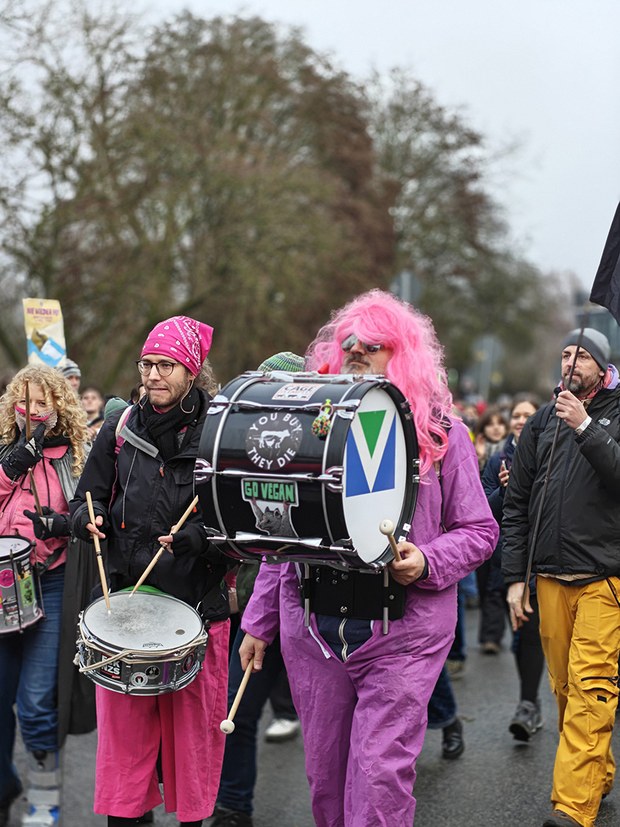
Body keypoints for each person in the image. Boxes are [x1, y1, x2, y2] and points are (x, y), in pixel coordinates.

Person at [238, 290, 498, 826]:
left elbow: (479, 530)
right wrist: (259, 624)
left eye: (373, 344)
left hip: (403, 633)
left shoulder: (443, 435)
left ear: (401, 354)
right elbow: (282, 535)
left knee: (380, 775)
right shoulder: (310, 429)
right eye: (348, 342)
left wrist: (426, 561)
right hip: (313, 630)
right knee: (327, 780)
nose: (356, 350)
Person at [70, 316, 232, 827]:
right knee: (126, 765)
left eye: (166, 365)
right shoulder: (120, 430)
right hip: (126, 607)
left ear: (192, 371)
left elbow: (244, 530)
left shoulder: (220, 435)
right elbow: (86, 498)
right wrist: (86, 520)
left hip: (197, 610)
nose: (153, 374)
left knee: (192, 757)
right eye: (147, 364)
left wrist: (202, 539)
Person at [502, 328, 620, 827]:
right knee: (566, 690)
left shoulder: (609, 414)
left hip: (603, 578)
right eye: (566, 353)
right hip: (549, 577)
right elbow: (517, 504)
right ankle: (598, 771)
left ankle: (572, 807)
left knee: (592, 687)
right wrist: (514, 578)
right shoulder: (542, 422)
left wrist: (588, 427)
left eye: (583, 355)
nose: (571, 361)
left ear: (602, 365)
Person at [207, 351, 304, 827]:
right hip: (256, 606)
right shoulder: (240, 452)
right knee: (237, 713)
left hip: (313, 609)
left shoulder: (316, 456)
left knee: (338, 723)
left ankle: (445, 717)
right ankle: (232, 807)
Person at [0, 365, 90, 827]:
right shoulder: (3, 453)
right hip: (1, 587)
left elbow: (95, 515)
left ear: (58, 408)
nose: (32, 411)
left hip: (50, 584)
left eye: (42, 403)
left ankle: (44, 798)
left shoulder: (74, 456)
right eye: (25, 402)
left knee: (36, 702)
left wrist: (64, 524)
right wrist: (11, 465)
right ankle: (3, 786)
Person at [481, 393, 546, 742]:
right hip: (508, 560)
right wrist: (505, 489)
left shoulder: (551, 452)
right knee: (521, 636)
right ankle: (531, 700)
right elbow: (483, 512)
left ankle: (528, 702)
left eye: (527, 415)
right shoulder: (496, 461)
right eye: (516, 415)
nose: (521, 420)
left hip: (546, 560)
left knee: (537, 633)